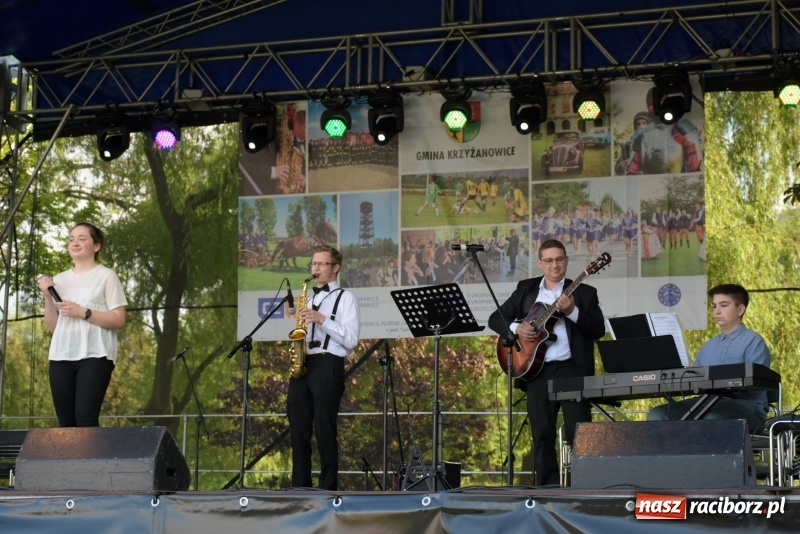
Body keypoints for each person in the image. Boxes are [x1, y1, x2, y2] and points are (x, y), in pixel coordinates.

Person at [488, 239, 605, 486]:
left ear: (566, 261)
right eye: (549, 260)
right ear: (540, 263)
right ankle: (547, 490)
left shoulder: (584, 293)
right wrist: (516, 327)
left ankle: (583, 487)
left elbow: (597, 330)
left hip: (572, 371)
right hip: (536, 371)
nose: (555, 265)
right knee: (542, 435)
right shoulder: (526, 289)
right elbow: (495, 319)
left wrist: (572, 311)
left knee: (580, 434)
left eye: (559, 259)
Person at [37, 222, 127, 427]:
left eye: (82, 238)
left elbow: (119, 319)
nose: (75, 243)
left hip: (96, 355)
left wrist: (83, 312)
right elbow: (54, 327)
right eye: (71, 239)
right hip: (61, 355)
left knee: (85, 420)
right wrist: (47, 297)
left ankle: (92, 460)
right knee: (66, 424)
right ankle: (70, 460)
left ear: (96, 246)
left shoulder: (107, 276)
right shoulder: (58, 280)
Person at [648, 284, 771, 431]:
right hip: (706, 403)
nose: (717, 311)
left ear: (740, 309)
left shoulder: (754, 342)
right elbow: (693, 381)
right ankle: (675, 454)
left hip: (747, 406)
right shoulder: (708, 347)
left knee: (712, 418)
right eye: (714, 306)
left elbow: (756, 382)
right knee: (658, 414)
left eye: (724, 305)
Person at [289, 245, 361, 490]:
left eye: (321, 264)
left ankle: (328, 489)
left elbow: (351, 339)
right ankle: (300, 487)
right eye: (313, 264)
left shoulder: (346, 298)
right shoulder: (308, 298)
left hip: (328, 362)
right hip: (305, 362)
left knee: (324, 429)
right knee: (298, 430)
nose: (315, 268)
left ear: (335, 268)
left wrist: (322, 320)